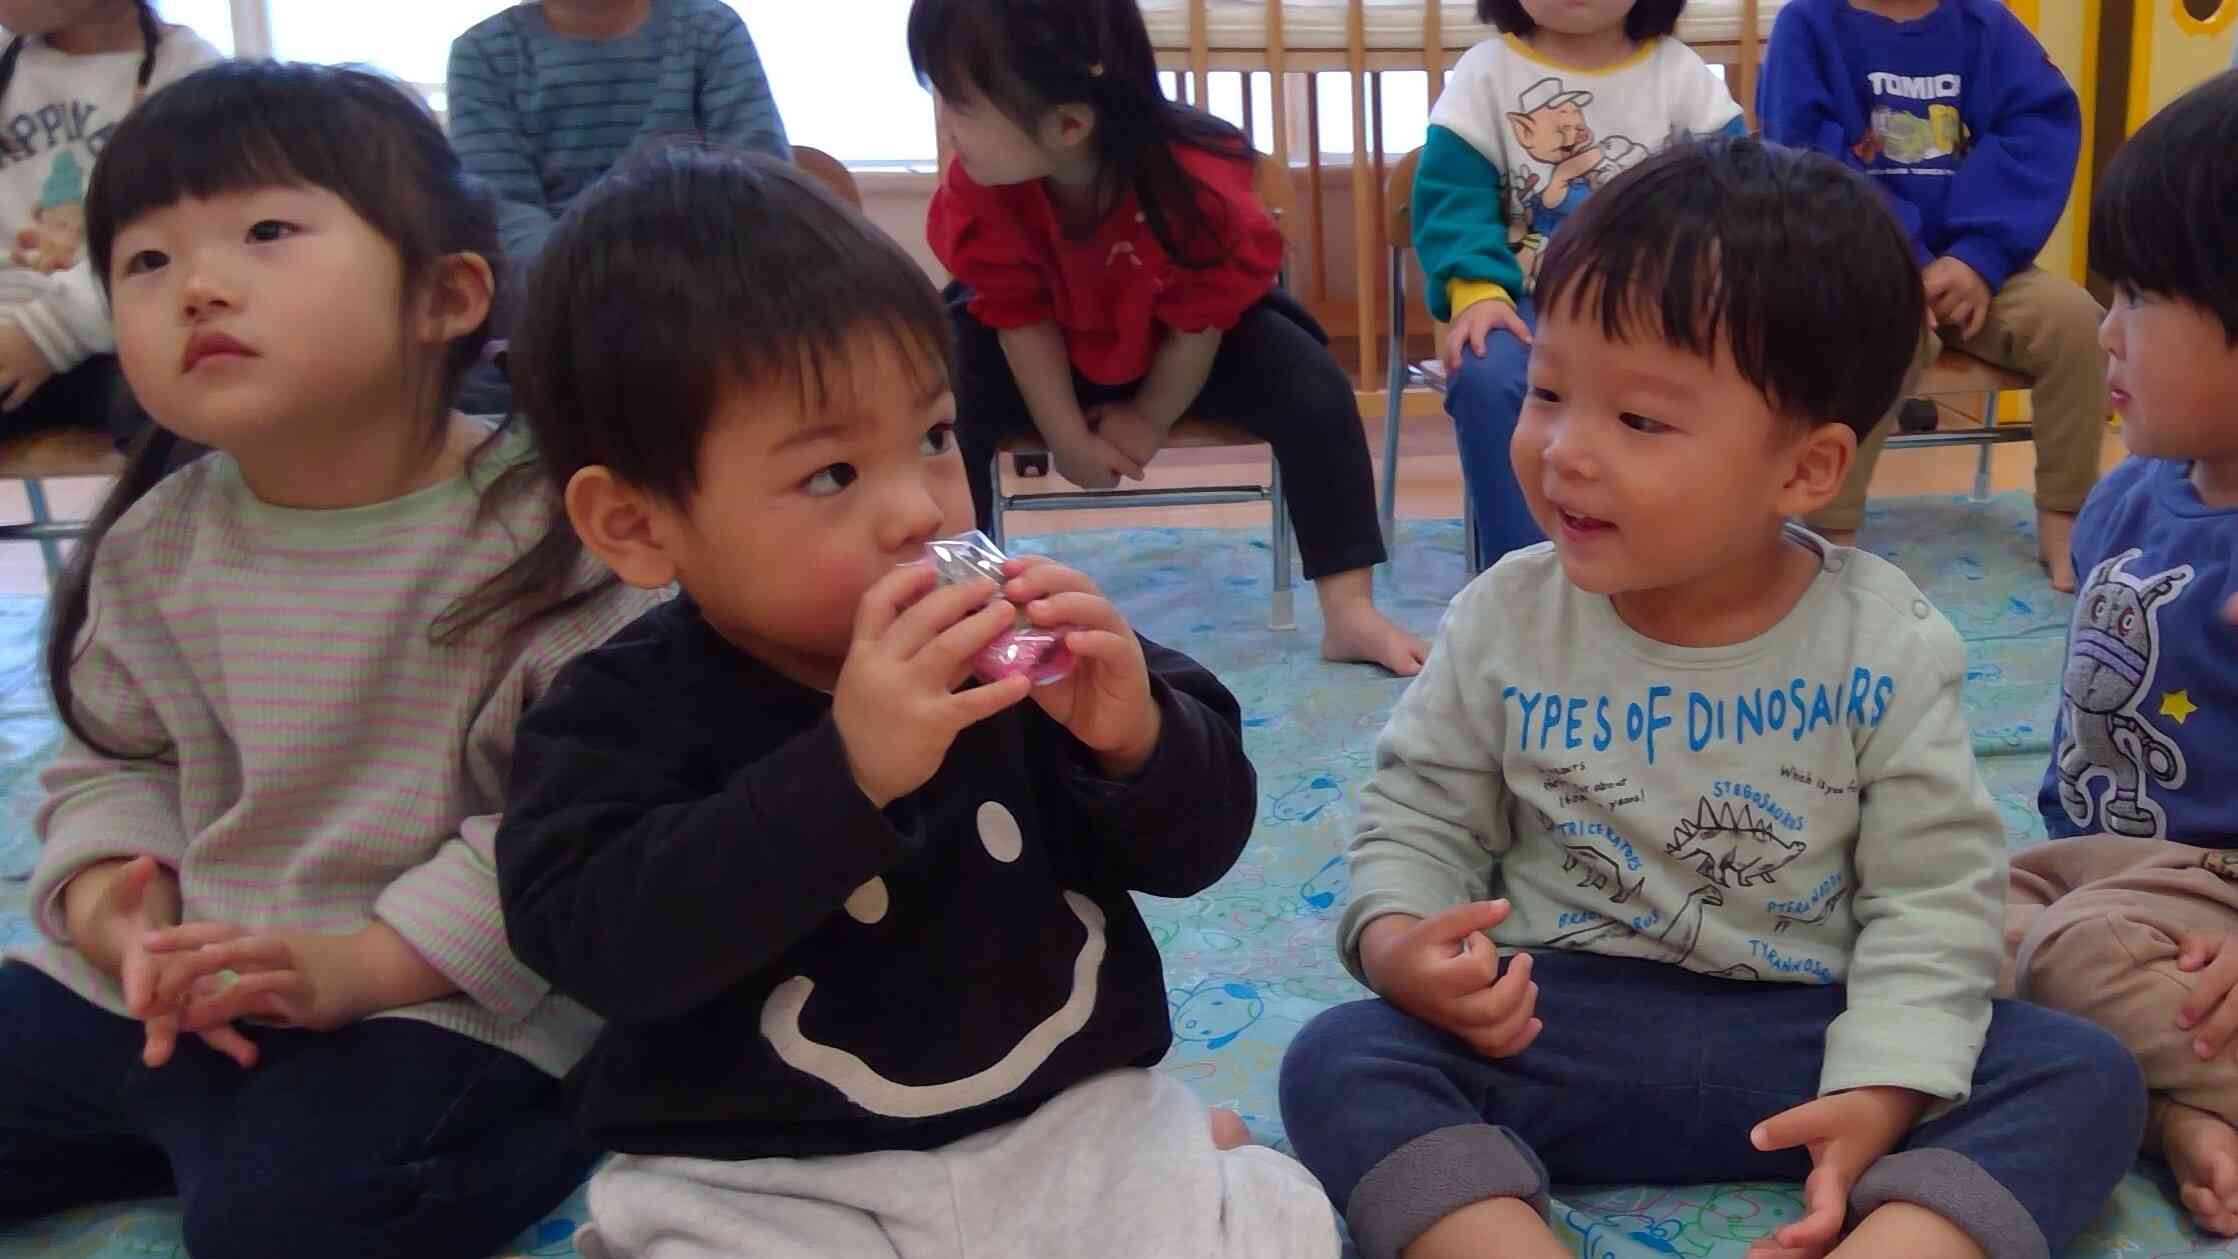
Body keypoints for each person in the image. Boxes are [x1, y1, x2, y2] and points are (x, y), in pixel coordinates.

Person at [1275, 137, 2144, 1259]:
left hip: (1812, 1037)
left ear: (1807, 469)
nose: (1562, 451)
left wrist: (1883, 1086)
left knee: (2082, 1072)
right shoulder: (1504, 615)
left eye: (1638, 421)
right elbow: (1421, 813)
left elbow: (1934, 899)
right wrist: (1404, 942)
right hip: (1553, 1021)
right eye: (1547, 392)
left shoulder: (1885, 639)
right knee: (1342, 1056)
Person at [493, 144, 1340, 1259]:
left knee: (1272, 1232)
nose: (917, 508)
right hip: (770, 1173)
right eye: (831, 474)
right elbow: (599, 943)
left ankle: (1210, 1161)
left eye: (935, 437)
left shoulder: (1013, 645)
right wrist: (842, 775)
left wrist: (1138, 738)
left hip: (1064, 1120)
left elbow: (1196, 846)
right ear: (639, 525)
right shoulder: (613, 713)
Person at [0, 61, 653, 1259]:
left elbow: (577, 823)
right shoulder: (158, 543)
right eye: (145, 261)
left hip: (436, 993)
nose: (197, 285)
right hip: (174, 989)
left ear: (445, 296)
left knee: (293, 1222)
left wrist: (354, 964)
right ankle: (196, 1128)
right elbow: (109, 764)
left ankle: (596, 1094)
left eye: (264, 231)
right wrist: (116, 918)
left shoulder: (554, 531)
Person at [916, 0, 1429, 675]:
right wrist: (1067, 439)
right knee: (941, 395)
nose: (946, 128)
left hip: (1182, 350)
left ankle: (1349, 611)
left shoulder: (1198, 179)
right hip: (1046, 353)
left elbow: (1201, 320)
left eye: (959, 105)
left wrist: (1147, 420)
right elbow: (1018, 318)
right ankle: (963, 605)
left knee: (1311, 381)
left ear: (1069, 124)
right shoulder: (982, 187)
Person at [1997, 69, 2238, 1240]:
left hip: (2210, 900)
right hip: (2088, 859)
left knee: (2081, 961)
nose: (2105, 331)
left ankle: (2159, 1092)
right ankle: (2171, 1108)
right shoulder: (2133, 494)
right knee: (1922, 922)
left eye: (2139, 296)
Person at [1759, 0, 2107, 591]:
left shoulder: (1985, 24)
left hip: (1982, 267)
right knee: (1866, 334)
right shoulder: (1808, 23)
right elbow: (1802, 155)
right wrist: (1899, 258)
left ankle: (2065, 514)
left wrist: (1977, 257)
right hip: (1860, 261)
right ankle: (1829, 530)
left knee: (2077, 323)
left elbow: (2036, 129)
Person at [1415, 0, 1742, 566]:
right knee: (1487, 373)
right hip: (1526, 303)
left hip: (1663, 307)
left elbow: (1738, 187)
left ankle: (1690, 553)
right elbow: (1452, 202)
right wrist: (1477, 293)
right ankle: (1526, 579)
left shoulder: (1680, 73)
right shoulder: (1484, 73)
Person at [0, 0, 218, 444]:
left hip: (113, 332)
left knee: (181, 405)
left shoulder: (191, 75)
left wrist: (48, 333)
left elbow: (177, 247)